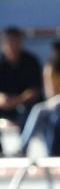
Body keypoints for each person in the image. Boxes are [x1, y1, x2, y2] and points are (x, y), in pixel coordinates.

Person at [0, 27, 42, 156]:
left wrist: (16, 101)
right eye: (9, 43)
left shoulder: (31, 61)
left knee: (28, 114)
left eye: (16, 42)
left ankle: (23, 150)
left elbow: (35, 91)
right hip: (4, 106)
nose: (13, 46)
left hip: (25, 104)